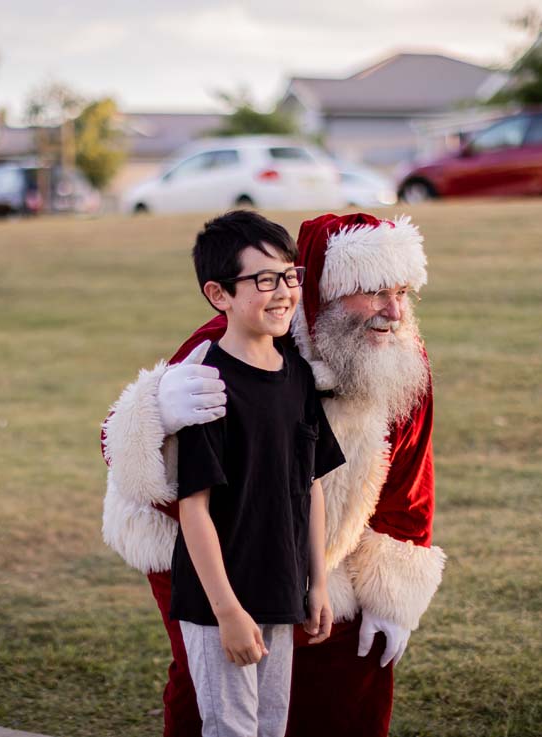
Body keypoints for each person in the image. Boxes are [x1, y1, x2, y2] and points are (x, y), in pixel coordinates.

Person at [102, 212, 446, 737]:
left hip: (303, 554)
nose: (394, 312)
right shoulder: (233, 345)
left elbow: (406, 473)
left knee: (335, 694)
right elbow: (126, 450)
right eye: (374, 292)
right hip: (206, 553)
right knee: (212, 705)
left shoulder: (401, 356)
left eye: (402, 292)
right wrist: (155, 413)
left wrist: (391, 593)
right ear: (328, 291)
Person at [169, 210, 345, 737]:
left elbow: (310, 484)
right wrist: (227, 611)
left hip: (280, 588)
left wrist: (317, 581)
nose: (284, 292)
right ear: (219, 294)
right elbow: (193, 508)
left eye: (289, 275)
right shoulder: (205, 386)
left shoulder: (297, 374)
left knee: (270, 728)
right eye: (264, 280)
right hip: (219, 601)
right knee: (232, 729)